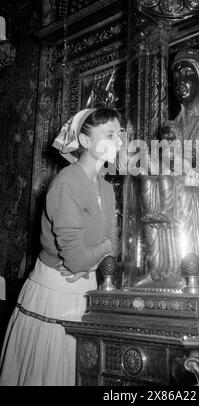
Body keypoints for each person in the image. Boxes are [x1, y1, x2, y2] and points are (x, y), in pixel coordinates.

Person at [0, 107, 122, 386]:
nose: (118, 142)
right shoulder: (66, 184)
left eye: (120, 135)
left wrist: (93, 258)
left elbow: (114, 247)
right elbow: (78, 259)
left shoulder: (105, 188)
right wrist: (96, 255)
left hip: (86, 290)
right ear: (86, 142)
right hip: (55, 296)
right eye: (110, 135)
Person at [137, 49, 199, 288]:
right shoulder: (173, 124)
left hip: (198, 188)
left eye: (188, 73)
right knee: (149, 186)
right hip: (173, 181)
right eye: (176, 75)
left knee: (183, 193)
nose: (180, 81)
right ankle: (158, 269)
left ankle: (193, 268)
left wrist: (187, 166)